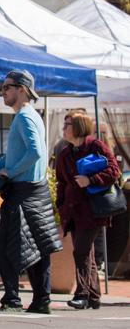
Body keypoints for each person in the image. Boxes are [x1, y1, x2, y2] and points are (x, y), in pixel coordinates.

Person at [0, 70, 62, 313]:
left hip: (24, 191)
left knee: (6, 247)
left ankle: (12, 299)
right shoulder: (31, 116)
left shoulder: (24, 118)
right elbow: (14, 155)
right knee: (37, 248)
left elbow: (35, 153)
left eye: (6, 87)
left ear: (22, 89)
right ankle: (41, 300)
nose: (3, 92)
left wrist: (11, 172)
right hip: (33, 192)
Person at [55, 111, 120, 310]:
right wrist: (61, 204)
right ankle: (93, 296)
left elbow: (113, 170)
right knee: (86, 253)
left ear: (78, 127)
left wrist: (90, 180)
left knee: (81, 252)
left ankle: (82, 294)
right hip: (73, 211)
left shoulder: (95, 146)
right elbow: (61, 182)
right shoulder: (65, 153)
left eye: (68, 124)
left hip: (92, 209)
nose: (64, 128)